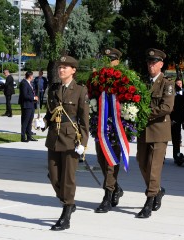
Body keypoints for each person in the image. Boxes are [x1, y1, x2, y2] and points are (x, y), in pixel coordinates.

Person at [43, 55, 89, 231]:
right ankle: (68, 201)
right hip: (54, 138)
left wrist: (83, 143)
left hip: (71, 139)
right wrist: (44, 123)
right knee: (54, 175)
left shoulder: (80, 91)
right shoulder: (54, 89)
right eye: (60, 67)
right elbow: (51, 113)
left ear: (73, 70)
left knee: (68, 177)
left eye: (65, 67)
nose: (61, 70)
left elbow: (84, 120)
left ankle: (67, 211)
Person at [136, 48, 174, 218]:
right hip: (143, 130)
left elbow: (167, 107)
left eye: (154, 63)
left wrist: (144, 113)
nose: (151, 65)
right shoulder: (142, 83)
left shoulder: (168, 84)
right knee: (142, 163)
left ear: (161, 64)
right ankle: (157, 189)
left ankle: (149, 199)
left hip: (159, 130)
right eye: (149, 62)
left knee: (154, 166)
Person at [94, 47, 124, 214]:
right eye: (106, 60)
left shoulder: (124, 79)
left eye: (111, 59)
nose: (108, 63)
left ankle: (108, 194)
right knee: (101, 160)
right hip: (100, 126)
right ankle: (115, 187)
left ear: (117, 61)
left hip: (117, 127)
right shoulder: (97, 78)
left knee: (112, 162)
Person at [18, 71, 38, 142]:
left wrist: (34, 98)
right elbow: (25, 95)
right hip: (26, 105)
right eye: (32, 76)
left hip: (31, 105)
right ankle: (23, 137)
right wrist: (33, 98)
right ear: (30, 76)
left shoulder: (30, 83)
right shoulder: (24, 83)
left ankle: (29, 136)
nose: (33, 77)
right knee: (25, 121)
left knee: (30, 121)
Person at [171, 78, 184, 161]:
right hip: (167, 121)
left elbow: (181, 111)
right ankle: (162, 158)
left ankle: (176, 156)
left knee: (176, 140)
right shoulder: (166, 98)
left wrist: (175, 120)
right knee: (163, 140)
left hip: (176, 121)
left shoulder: (180, 98)